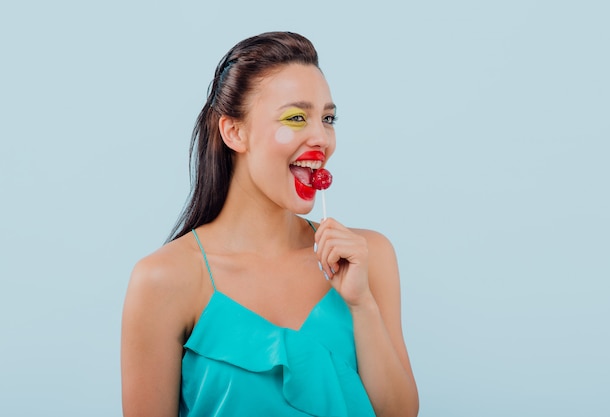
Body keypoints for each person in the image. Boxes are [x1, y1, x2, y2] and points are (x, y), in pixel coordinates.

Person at [121, 31, 419, 417]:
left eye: (327, 118)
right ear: (235, 132)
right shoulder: (162, 279)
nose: (321, 138)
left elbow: (400, 414)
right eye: (296, 117)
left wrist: (362, 306)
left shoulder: (368, 257)